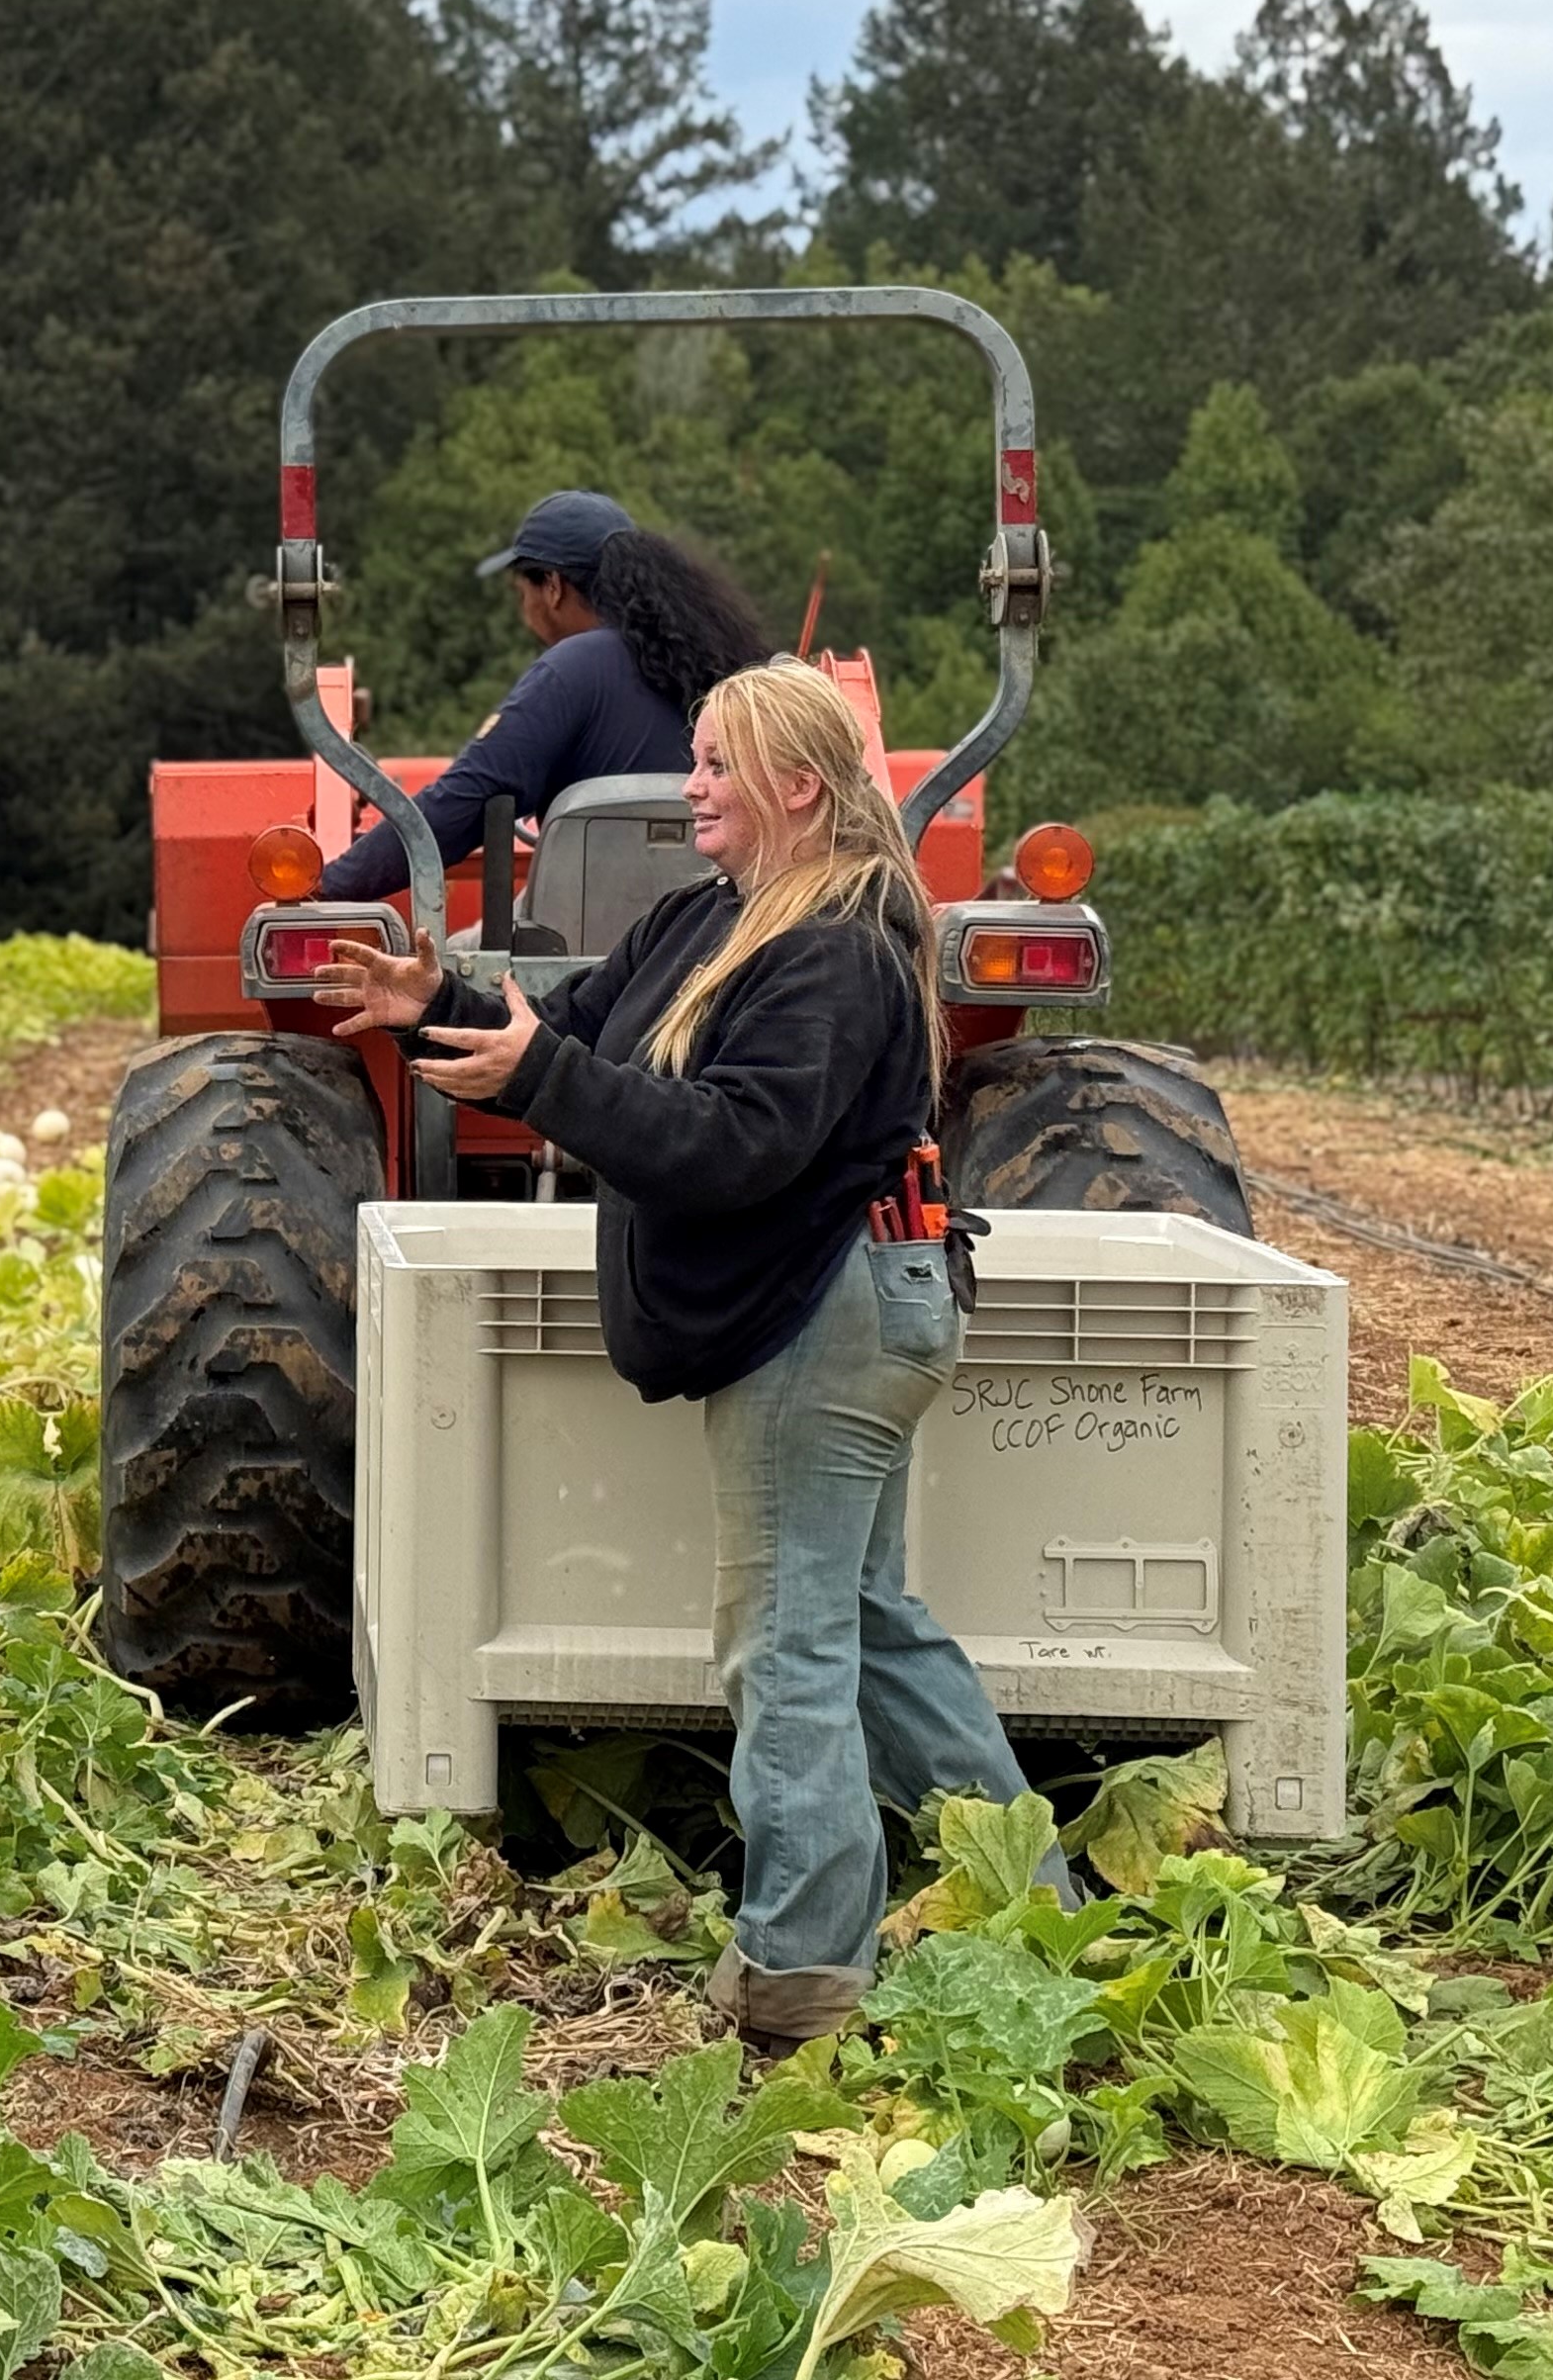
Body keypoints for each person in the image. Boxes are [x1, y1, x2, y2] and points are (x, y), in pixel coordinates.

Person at [314, 655, 1061, 2057]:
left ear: (795, 784)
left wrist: (536, 1076)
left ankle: (800, 1969)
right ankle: (1040, 1910)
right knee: (870, 1626)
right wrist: (446, 1007)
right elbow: (576, 1033)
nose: (691, 785)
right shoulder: (712, 918)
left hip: (830, 1317)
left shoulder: (830, 948)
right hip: (849, 1302)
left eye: (717, 764)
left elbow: (732, 1148)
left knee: (782, 1643)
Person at [316, 490, 773, 905]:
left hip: (593, 950)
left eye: (523, 592)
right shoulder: (726, 662)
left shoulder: (571, 671)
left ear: (553, 588)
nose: (524, 608)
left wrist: (328, 885)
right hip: (722, 925)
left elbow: (461, 804)